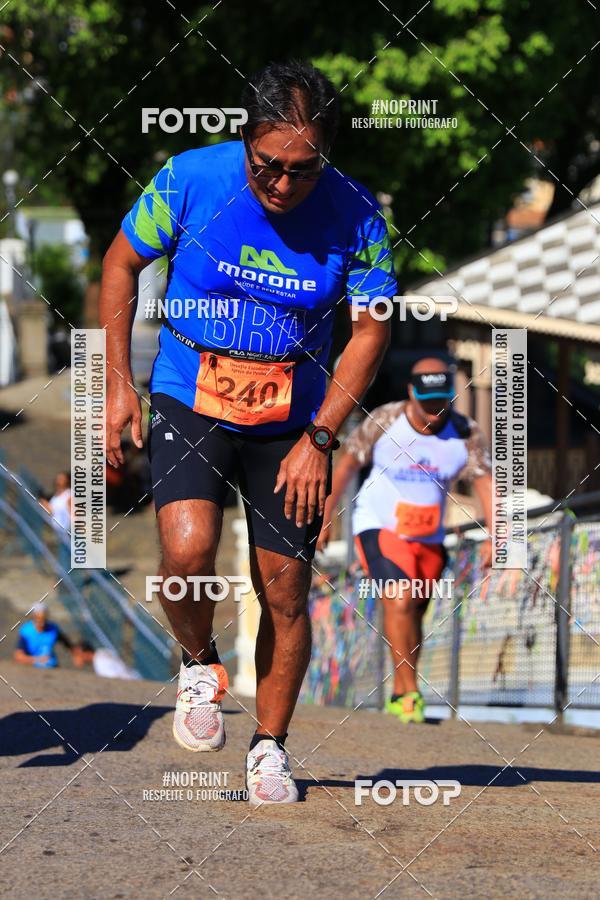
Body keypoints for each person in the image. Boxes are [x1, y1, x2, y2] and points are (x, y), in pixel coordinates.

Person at [100, 60, 396, 804]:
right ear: (243, 138)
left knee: (287, 589)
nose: (285, 186)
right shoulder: (189, 179)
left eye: (304, 170)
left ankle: (270, 746)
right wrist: (113, 384)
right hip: (190, 390)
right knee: (188, 549)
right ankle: (199, 662)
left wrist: (322, 438)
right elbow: (120, 262)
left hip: (291, 421)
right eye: (269, 167)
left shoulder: (358, 212)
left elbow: (371, 331)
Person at [318, 358, 493, 723]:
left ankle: (400, 689)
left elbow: (485, 484)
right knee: (399, 598)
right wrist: (326, 516)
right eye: (426, 403)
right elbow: (347, 464)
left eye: (441, 403)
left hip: (429, 537)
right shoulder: (385, 420)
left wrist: (499, 536)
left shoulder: (465, 432)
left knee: (414, 611)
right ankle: (410, 693)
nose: (433, 412)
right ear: (411, 392)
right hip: (378, 525)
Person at [14, 603, 74, 669]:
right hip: (33, 668)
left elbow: (67, 644)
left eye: (43, 618)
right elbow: (19, 656)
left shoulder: (53, 629)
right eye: (38, 618)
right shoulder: (26, 631)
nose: (41, 622)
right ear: (33, 617)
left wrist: (77, 655)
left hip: (53, 666)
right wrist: (37, 659)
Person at [73, 641, 141, 680]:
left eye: (77, 655)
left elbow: (115, 680)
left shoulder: (100, 662)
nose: (75, 658)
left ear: (86, 653)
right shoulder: (102, 651)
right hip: (134, 676)